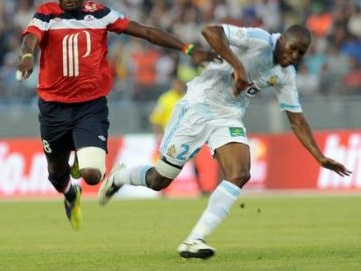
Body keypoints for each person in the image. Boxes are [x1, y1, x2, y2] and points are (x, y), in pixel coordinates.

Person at [98, 23, 352, 258]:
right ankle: (120, 177)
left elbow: (296, 120)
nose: (295, 56)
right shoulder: (259, 40)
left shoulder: (286, 75)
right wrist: (238, 67)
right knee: (159, 180)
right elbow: (210, 31)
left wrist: (319, 157)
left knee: (240, 173)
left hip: (228, 117)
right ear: (282, 39)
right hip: (199, 105)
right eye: (293, 48)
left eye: (301, 53)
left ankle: (194, 240)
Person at [16, 0, 235, 231]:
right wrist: (27, 56)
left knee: (93, 175)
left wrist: (187, 48)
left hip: (90, 107)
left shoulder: (99, 14)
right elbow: (30, 39)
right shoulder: (46, 13)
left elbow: (144, 32)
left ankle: (80, 161)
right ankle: (70, 194)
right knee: (56, 173)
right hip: (53, 109)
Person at [149, 77, 205, 196]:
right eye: (177, 84)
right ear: (173, 84)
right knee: (166, 164)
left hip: (186, 135)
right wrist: (158, 136)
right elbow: (156, 118)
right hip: (170, 137)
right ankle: (162, 191)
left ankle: (200, 188)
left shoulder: (187, 98)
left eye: (180, 84)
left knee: (193, 162)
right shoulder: (165, 99)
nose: (179, 86)